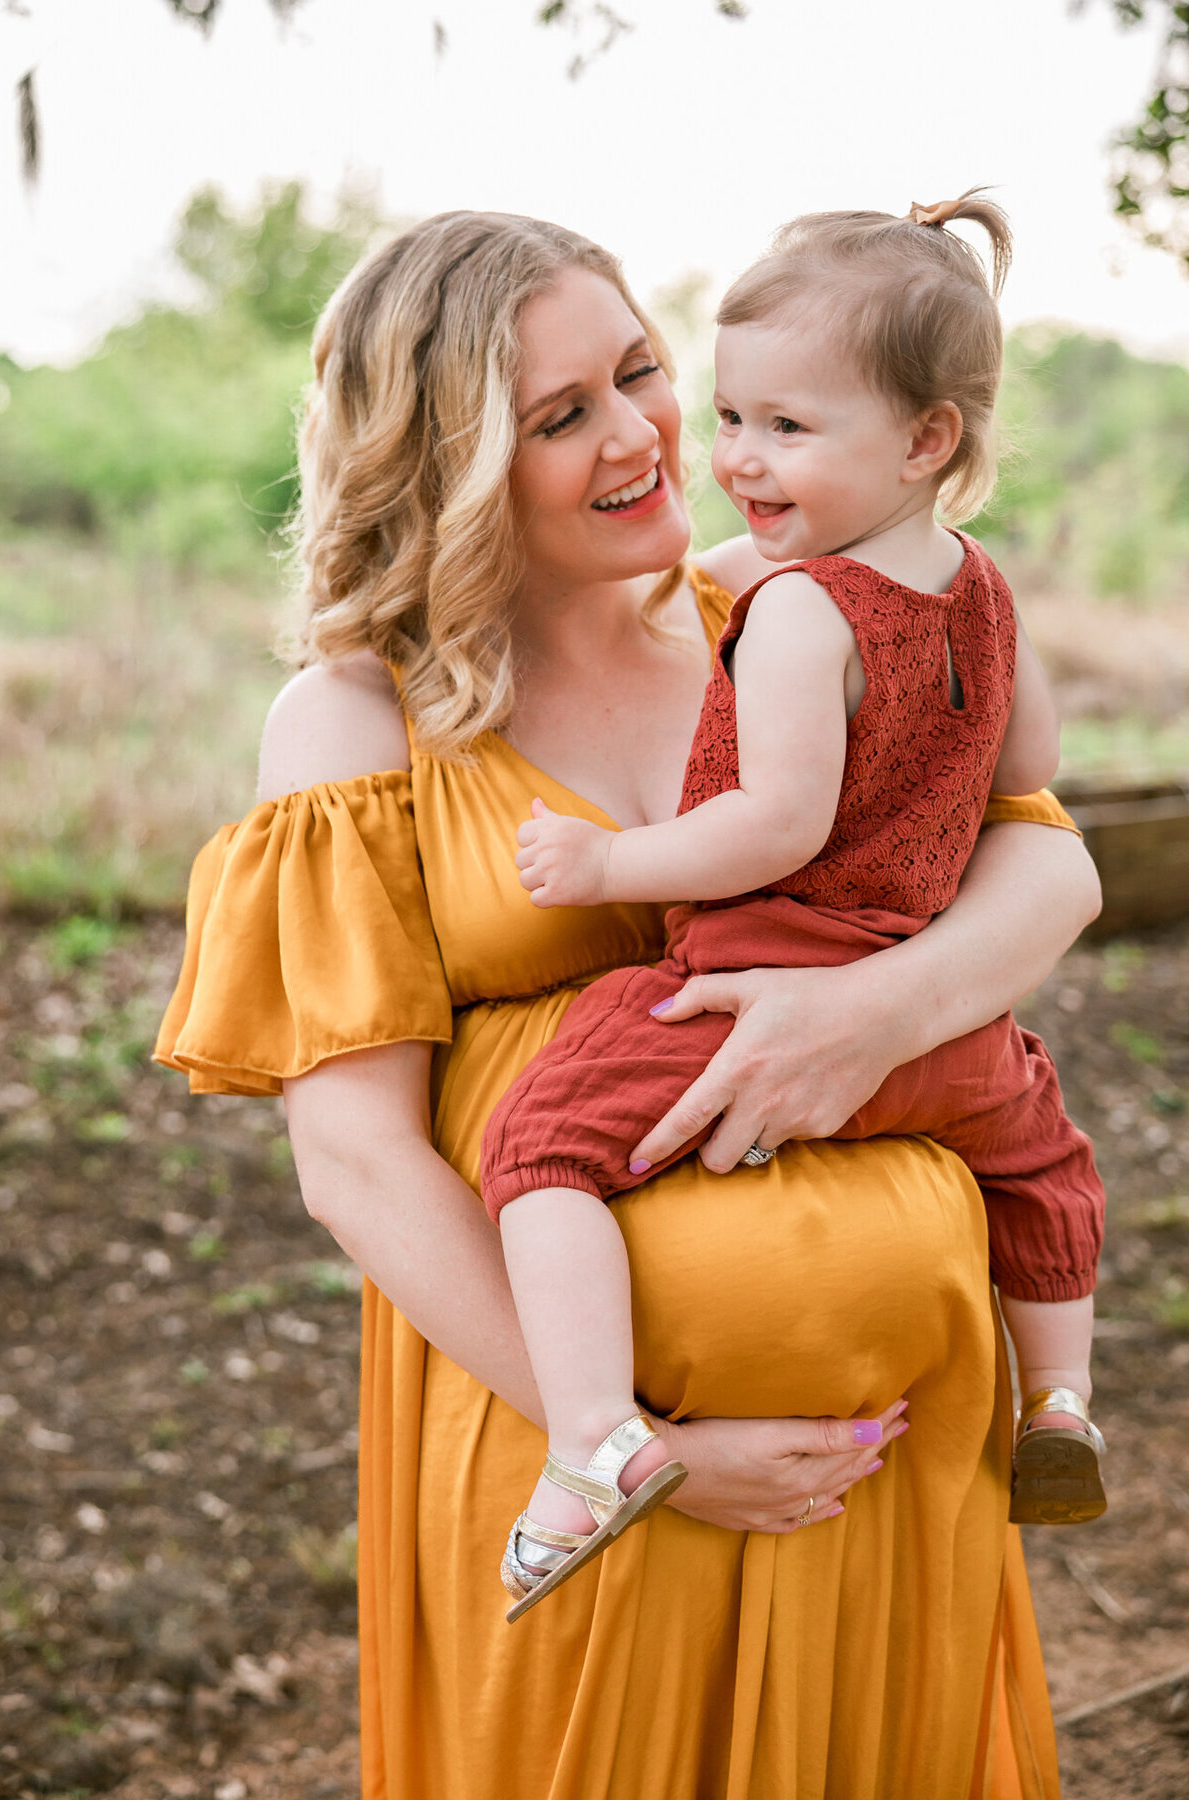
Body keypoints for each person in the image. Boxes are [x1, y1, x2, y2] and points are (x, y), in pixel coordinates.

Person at [155, 208, 1101, 1798]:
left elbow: (1050, 872)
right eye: (558, 415)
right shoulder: (354, 718)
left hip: (893, 1450)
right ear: (445, 465)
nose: (645, 435)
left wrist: (869, 1017)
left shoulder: (787, 606)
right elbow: (358, 1162)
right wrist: (648, 1451)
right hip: (578, 1439)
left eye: (642, 373)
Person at [480, 194, 1106, 1621]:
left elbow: (774, 825)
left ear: (926, 437)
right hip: (942, 1000)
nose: (735, 460)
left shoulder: (799, 609)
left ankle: (589, 1440)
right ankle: (1063, 1398)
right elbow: (1033, 770)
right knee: (1044, 1162)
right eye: (734, 417)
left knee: (540, 1145)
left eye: (783, 428)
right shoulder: (985, 593)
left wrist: (604, 867)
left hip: (760, 973)